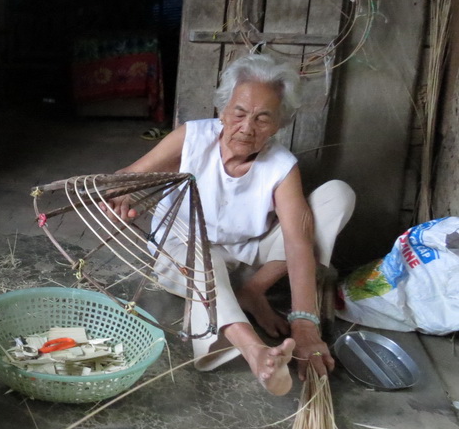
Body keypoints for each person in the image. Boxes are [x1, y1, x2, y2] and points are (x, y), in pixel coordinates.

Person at [107, 54, 355, 396]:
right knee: (202, 257)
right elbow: (127, 176)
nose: (247, 127)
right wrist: (124, 193)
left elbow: (298, 243)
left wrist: (305, 325)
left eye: (262, 118)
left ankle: (251, 290)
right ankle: (255, 351)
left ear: (279, 124)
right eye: (239, 113)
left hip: (246, 255)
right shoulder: (192, 138)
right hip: (182, 251)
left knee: (337, 195)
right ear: (223, 110)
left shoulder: (281, 166)